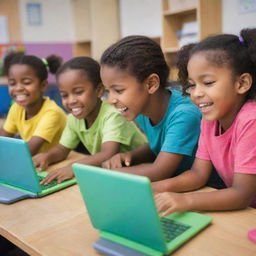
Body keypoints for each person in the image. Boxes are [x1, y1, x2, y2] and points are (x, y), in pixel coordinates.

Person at [154, 28, 256, 216]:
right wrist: (154, 189)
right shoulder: (210, 120)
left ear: (241, 84)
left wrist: (185, 200)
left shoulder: (251, 121)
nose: (196, 93)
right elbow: (198, 174)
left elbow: (242, 195)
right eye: (192, 84)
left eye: (207, 83)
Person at [100, 35, 201, 181]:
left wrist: (105, 176)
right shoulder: (141, 109)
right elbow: (163, 145)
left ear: (151, 84)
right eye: (107, 91)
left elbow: (160, 171)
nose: (110, 100)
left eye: (119, 90)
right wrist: (131, 156)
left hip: (208, 192)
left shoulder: (184, 115)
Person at [34, 56, 147, 185]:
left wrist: (73, 167)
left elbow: (108, 154)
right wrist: (46, 157)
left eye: (78, 92)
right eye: (65, 95)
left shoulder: (113, 114)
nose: (71, 101)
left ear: (99, 90)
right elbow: (62, 149)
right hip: (112, 172)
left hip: (141, 173)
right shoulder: (73, 119)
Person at [0, 53, 66, 156]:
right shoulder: (16, 108)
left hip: (56, 164)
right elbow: (3, 139)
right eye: (12, 83)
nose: (18, 88)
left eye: (26, 82)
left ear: (43, 85)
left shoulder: (52, 113)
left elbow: (29, 150)